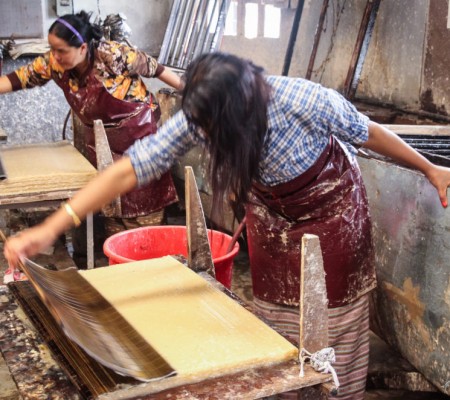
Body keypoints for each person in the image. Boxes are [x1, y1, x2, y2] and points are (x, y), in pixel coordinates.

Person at [5, 52, 450, 399]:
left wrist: (431, 169)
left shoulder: (303, 100)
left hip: (331, 213)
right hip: (271, 217)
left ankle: (334, 391)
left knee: (332, 326)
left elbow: (367, 131)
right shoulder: (208, 111)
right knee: (275, 322)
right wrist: (55, 224)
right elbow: (131, 168)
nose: (206, 135)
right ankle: (287, 388)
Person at [0, 11, 182, 267]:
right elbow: (21, 78)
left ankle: (153, 271)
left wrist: (190, 91)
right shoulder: (55, 63)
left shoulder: (114, 55)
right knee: (114, 220)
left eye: (61, 50)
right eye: (51, 49)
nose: (55, 56)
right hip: (104, 144)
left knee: (144, 228)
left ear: (83, 47)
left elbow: (158, 69)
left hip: (140, 141)